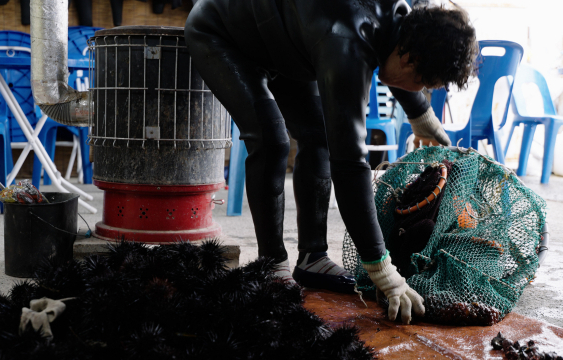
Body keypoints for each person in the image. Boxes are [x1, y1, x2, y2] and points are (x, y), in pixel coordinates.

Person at [185, 0, 478, 324]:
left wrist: (419, 112)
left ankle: (313, 258)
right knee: (272, 141)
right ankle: (273, 264)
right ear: (411, 61)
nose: (419, 89)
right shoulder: (346, 45)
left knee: (319, 136)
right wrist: (381, 268)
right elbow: (350, 165)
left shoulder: (402, 20)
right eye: (423, 84)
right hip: (222, 33)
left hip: (285, 45)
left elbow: (400, 57)